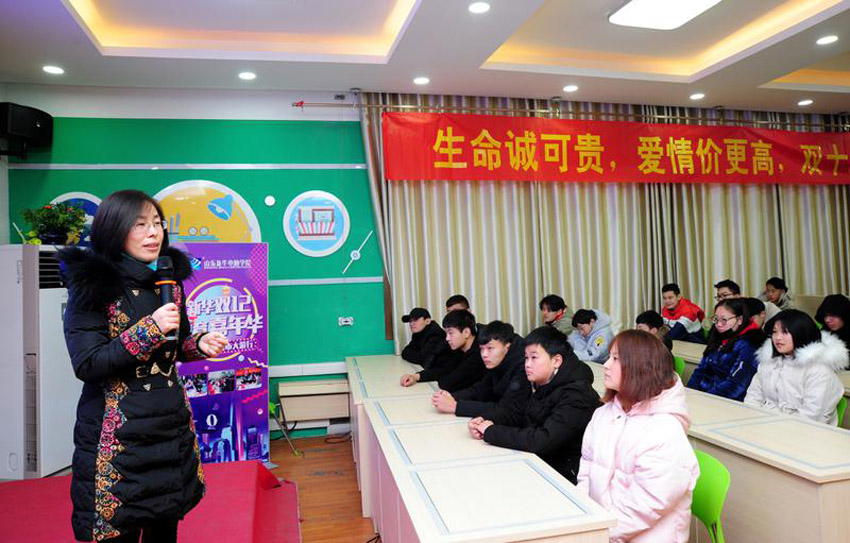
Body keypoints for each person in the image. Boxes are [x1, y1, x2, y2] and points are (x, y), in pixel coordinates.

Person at [58, 190, 229, 543]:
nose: (153, 233)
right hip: (120, 439)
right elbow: (88, 363)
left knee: (165, 528)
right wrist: (150, 328)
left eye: (157, 223)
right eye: (140, 225)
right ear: (114, 230)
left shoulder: (168, 281)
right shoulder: (93, 284)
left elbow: (172, 347)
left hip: (170, 428)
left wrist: (197, 345)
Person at [578, 330, 699, 543]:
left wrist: (598, 535)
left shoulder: (664, 430)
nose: (606, 365)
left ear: (640, 367)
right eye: (609, 357)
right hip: (603, 530)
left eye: (615, 359)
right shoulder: (603, 414)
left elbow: (646, 507)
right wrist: (585, 519)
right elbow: (586, 468)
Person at [467, 326, 598, 483]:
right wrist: (486, 421)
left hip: (564, 476)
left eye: (534, 358)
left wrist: (491, 432)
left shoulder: (577, 395)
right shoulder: (544, 381)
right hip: (537, 463)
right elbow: (520, 414)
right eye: (526, 358)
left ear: (556, 361)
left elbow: (543, 441)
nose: (527, 364)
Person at [745, 310, 849, 425]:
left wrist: (770, 424)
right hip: (767, 425)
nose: (778, 337)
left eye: (785, 332)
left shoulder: (819, 371)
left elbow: (812, 417)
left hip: (805, 431)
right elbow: (752, 398)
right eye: (774, 332)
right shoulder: (768, 363)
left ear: (801, 333)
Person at [431, 321, 530, 419]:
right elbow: (481, 389)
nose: (484, 355)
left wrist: (455, 406)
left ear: (506, 347)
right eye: (482, 349)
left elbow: (508, 410)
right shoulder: (497, 360)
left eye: (490, 348)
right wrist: (452, 396)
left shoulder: (524, 368)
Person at [687, 299, 766, 401]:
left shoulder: (750, 343)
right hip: (703, 395)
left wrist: (704, 398)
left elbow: (736, 385)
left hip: (726, 401)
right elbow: (700, 370)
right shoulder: (719, 335)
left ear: (740, 319)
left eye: (724, 320)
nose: (719, 324)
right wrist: (689, 393)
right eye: (716, 319)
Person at [399, 309, 484, 392]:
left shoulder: (479, 354)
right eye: (446, 333)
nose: (447, 338)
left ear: (466, 332)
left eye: (451, 333)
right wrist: (415, 377)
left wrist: (444, 376)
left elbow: (447, 383)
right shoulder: (460, 350)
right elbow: (443, 370)